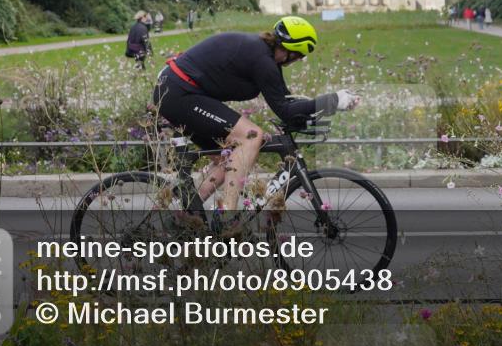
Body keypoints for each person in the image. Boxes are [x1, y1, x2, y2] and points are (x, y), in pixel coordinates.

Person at [152, 16, 359, 212]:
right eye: (300, 57)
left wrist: (313, 114)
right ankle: (227, 213)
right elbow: (286, 111)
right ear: (294, 51)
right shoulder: (262, 61)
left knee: (228, 156)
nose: (297, 61)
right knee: (251, 136)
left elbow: (286, 101)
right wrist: (332, 100)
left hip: (177, 90)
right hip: (179, 93)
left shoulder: (265, 56)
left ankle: (187, 212)